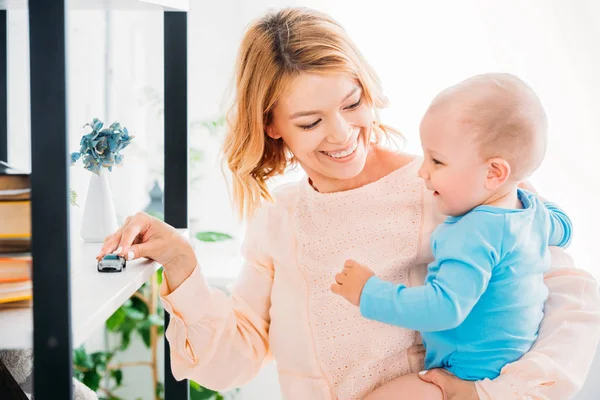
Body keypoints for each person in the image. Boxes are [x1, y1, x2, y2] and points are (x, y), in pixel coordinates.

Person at [97, 7, 600, 400]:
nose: (342, 135)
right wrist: (183, 265)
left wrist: (482, 394)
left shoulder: (450, 182)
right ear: (272, 125)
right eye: (310, 122)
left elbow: (570, 308)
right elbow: (234, 361)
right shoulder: (282, 220)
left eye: (352, 103)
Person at [332, 73, 573, 399]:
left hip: (466, 372)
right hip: (509, 367)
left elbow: (442, 308)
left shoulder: (474, 234)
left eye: (437, 161)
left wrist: (369, 292)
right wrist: (520, 185)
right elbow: (565, 227)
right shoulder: (531, 213)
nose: (422, 171)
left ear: (494, 173)